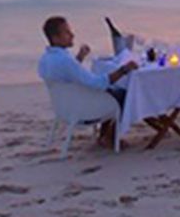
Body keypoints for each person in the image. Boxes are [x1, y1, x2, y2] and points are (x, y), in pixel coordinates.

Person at [38, 16, 136, 148]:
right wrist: (124, 70)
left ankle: (103, 136)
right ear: (55, 38)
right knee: (125, 94)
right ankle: (110, 136)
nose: (72, 35)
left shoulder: (45, 59)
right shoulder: (65, 61)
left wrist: (79, 58)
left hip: (64, 108)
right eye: (67, 32)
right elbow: (98, 83)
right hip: (83, 111)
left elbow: (66, 76)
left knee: (111, 91)